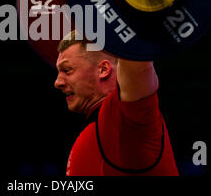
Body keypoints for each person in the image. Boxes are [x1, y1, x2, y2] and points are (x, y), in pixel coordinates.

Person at [54, 31, 178, 175]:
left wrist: (127, 15)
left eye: (67, 70)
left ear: (103, 69)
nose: (57, 82)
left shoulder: (125, 118)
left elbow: (138, 67)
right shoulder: (97, 126)